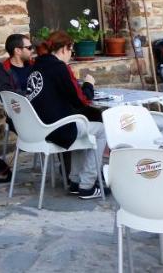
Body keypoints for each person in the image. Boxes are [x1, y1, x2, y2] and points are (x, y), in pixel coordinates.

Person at [25, 31, 106, 199]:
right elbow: (80, 100)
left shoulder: (37, 66)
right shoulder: (59, 68)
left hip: (40, 127)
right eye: (72, 51)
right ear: (64, 49)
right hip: (58, 128)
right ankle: (87, 184)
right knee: (101, 129)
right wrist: (89, 84)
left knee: (83, 126)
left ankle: (75, 181)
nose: (71, 55)